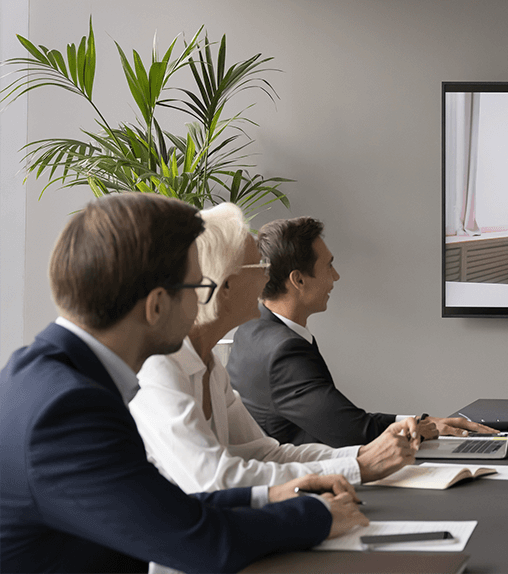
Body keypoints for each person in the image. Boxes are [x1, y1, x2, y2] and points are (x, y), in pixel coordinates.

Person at [0, 193, 367, 573]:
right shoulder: (69, 410)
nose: (200, 308)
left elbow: (164, 506)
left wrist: (270, 495)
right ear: (157, 306)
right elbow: (200, 541)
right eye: (196, 288)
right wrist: (316, 516)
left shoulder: (47, 377)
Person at [131, 203, 420, 493]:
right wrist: (361, 468)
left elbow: (268, 454)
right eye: (260, 266)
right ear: (226, 285)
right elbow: (214, 481)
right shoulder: (159, 368)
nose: (268, 278)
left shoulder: (210, 365)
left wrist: (360, 457)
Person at [228, 216, 494, 447]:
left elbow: (346, 421)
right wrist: (424, 430)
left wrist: (421, 422)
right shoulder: (284, 350)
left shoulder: (252, 330)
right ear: (298, 279)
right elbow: (353, 433)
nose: (336, 277)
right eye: (329, 266)